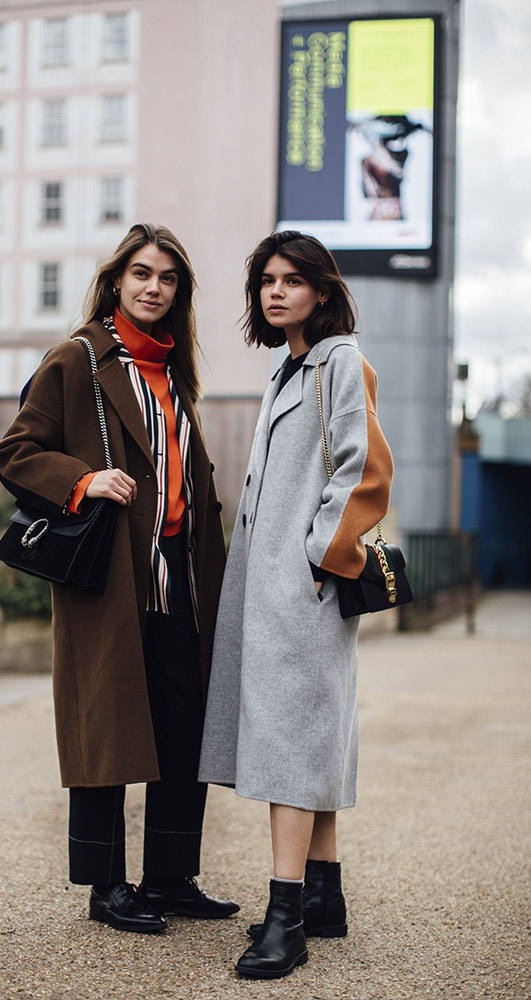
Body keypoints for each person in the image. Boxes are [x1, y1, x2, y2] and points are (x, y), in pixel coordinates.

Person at [0, 223, 238, 934]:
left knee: (181, 729)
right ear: (116, 282)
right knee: (105, 732)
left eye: (167, 278)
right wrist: (84, 479)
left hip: (179, 582)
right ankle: (105, 888)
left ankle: (168, 877)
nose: (153, 287)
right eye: (141, 274)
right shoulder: (78, 360)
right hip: (111, 584)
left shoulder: (172, 371)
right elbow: (15, 451)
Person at [198, 231, 393, 978]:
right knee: (307, 738)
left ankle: (286, 920)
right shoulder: (290, 370)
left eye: (291, 280)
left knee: (287, 746)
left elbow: (365, 468)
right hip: (271, 591)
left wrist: (323, 553)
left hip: (301, 588)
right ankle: (322, 896)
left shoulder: (339, 361)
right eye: (265, 281)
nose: (275, 292)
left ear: (320, 287)